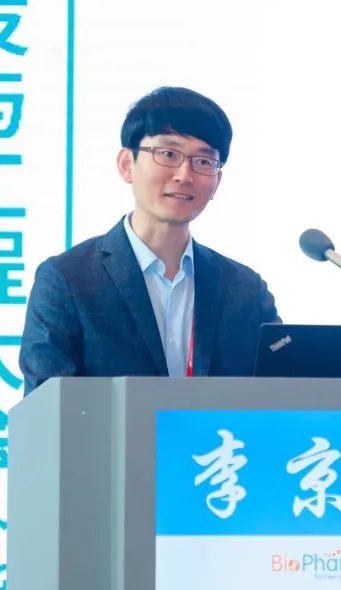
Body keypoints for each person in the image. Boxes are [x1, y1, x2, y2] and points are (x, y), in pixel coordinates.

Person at [19, 86, 280, 395]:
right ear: (126, 164)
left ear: (217, 180)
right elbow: (48, 407)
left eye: (203, 161)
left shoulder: (246, 290)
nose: (184, 175)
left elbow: (282, 396)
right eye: (168, 154)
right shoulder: (67, 281)